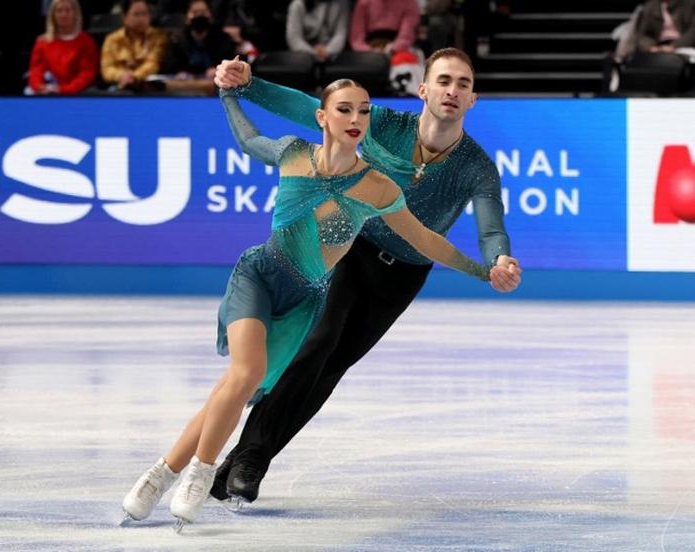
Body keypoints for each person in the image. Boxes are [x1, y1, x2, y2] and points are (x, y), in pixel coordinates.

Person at [121, 74, 494, 530]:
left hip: (304, 300)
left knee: (234, 388)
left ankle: (160, 474)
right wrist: (229, 94)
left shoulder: (378, 188)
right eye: (344, 110)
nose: (356, 119)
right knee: (245, 374)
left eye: (363, 111)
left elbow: (427, 241)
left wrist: (483, 270)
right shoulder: (295, 154)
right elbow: (248, 138)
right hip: (258, 276)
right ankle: (199, 474)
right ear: (323, 117)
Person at [211, 47, 522, 504]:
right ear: (424, 89)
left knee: (331, 369)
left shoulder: (476, 166)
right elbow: (305, 107)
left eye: (463, 84)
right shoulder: (385, 124)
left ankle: (245, 458)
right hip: (351, 250)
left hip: (402, 278)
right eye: (443, 81)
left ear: (473, 98)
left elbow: (491, 226)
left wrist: (499, 260)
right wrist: (247, 85)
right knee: (317, 345)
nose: (452, 91)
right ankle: (252, 460)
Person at [27, 0, 98, 95]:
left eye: (68, 10)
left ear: (76, 14)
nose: (63, 15)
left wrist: (64, 89)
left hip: (77, 92)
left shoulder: (87, 41)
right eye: (59, 11)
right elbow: (36, 71)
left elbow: (87, 74)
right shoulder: (42, 42)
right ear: (52, 15)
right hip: (47, 91)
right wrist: (39, 86)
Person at [100, 0, 169, 92]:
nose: (141, 19)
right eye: (136, 14)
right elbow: (107, 69)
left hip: (150, 88)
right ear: (125, 17)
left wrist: (134, 77)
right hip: (119, 86)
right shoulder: (112, 39)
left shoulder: (159, 37)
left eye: (145, 14)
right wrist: (121, 76)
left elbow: (153, 63)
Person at [163, 0, 235, 79]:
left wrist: (218, 69)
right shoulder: (177, 40)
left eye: (203, 12)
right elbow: (171, 67)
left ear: (211, 16)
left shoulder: (223, 39)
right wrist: (180, 73)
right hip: (186, 84)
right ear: (187, 17)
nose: (200, 16)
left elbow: (229, 62)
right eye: (195, 12)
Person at [285, 0, 350, 63]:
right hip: (304, 55)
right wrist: (314, 53)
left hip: (332, 54)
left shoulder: (342, 3)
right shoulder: (297, 4)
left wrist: (327, 51)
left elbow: (340, 34)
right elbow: (294, 39)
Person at [349, 0, 419, 54]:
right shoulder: (364, 2)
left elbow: (407, 35)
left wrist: (392, 49)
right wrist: (369, 50)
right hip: (368, 49)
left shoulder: (408, 2)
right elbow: (357, 38)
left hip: (399, 49)